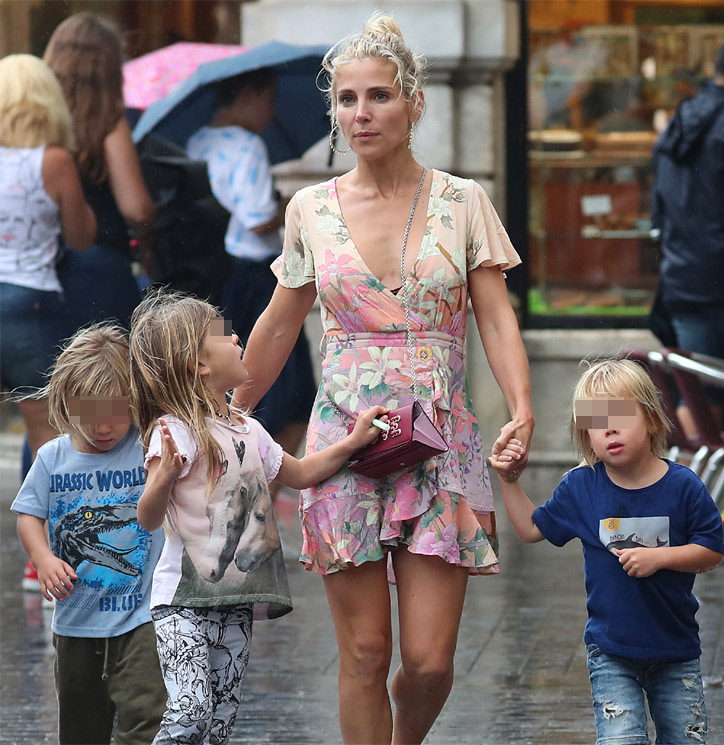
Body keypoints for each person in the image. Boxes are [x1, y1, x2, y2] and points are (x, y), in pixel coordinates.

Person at [234, 14, 534, 744]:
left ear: (413, 103)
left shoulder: (463, 201)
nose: (360, 113)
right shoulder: (311, 208)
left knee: (428, 662)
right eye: (346, 100)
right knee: (365, 652)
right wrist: (232, 409)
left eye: (377, 96)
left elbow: (494, 317)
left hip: (440, 443)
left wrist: (521, 407)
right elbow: (279, 320)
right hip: (342, 445)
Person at [128, 290, 387, 744]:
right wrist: (163, 477)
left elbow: (302, 473)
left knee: (219, 723)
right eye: (225, 335)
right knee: (190, 712)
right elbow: (148, 518)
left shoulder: (249, 429)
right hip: (180, 602)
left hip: (236, 600)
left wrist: (352, 443)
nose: (237, 338)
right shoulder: (175, 432)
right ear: (199, 365)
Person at [494, 359, 724, 745]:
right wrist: (509, 480)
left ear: (652, 420)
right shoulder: (582, 487)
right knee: (621, 739)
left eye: (621, 417)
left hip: (676, 648)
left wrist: (660, 557)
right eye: (596, 422)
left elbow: (711, 551)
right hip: (611, 650)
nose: (610, 429)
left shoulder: (684, 486)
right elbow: (532, 529)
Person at [11, 324, 167, 745]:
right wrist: (43, 559)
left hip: (142, 616)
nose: (103, 428)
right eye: (89, 415)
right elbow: (28, 515)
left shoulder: (147, 444)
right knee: (81, 727)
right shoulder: (52, 457)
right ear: (64, 403)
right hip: (75, 619)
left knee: (146, 718)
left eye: (116, 412)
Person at [185, 68, 316, 469]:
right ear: (248, 96)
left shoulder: (196, 141)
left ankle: (230, 461)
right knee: (288, 385)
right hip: (255, 275)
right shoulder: (248, 146)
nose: (272, 110)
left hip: (212, 274)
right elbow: (258, 218)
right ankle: (264, 471)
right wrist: (286, 205)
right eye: (269, 99)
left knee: (221, 375)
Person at [652, 32, 724, 544]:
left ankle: (680, 512)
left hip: (684, 285)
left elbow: (657, 212)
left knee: (702, 408)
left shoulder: (678, 122)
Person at [0, 53, 96, 459]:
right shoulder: (54, 161)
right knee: (45, 421)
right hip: (30, 300)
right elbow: (81, 237)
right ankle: (40, 520)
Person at [43, 12, 155, 332]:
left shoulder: (32, 121)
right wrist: (150, 229)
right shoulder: (109, 121)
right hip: (100, 267)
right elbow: (136, 209)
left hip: (39, 267)